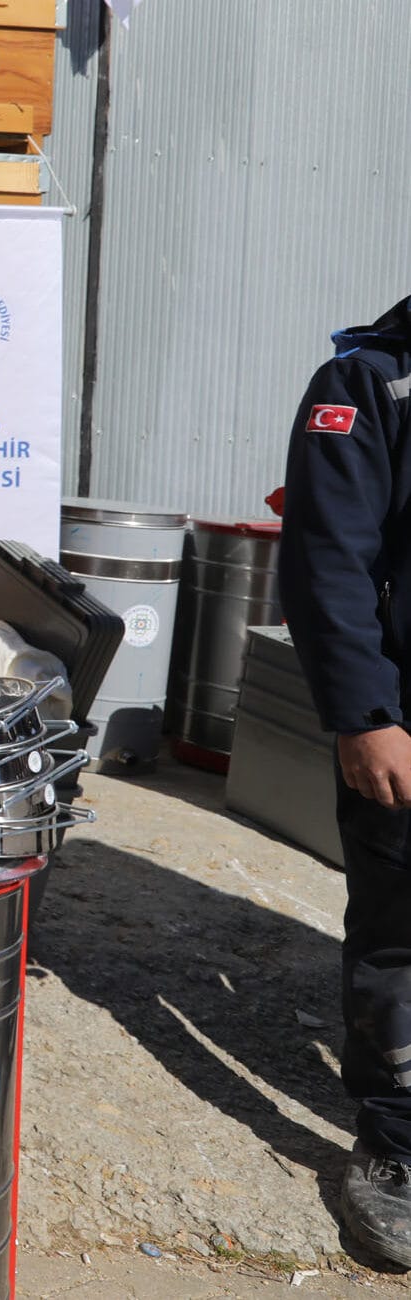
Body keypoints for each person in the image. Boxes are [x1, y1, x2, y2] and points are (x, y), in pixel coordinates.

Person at [279, 294, 411, 1266]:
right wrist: (365, 717)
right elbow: (327, 560)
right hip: (404, 727)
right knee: (400, 939)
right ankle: (394, 1154)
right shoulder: (367, 384)